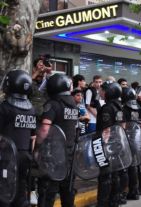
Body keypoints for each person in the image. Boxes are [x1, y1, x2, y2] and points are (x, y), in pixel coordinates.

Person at [37, 73, 79, 207]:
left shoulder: (53, 104)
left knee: (48, 190)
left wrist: (37, 145)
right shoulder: (73, 104)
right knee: (67, 189)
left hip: (53, 154)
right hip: (70, 153)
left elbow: (45, 128)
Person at [0, 70, 36, 207]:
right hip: (25, 156)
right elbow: (33, 136)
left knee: (4, 192)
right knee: (20, 190)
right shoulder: (31, 109)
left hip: (6, 157)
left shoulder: (5, 108)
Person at [95, 81, 126, 207]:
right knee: (115, 174)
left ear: (108, 92)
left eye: (102, 90)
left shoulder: (107, 108)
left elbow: (106, 130)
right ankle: (115, 200)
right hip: (117, 144)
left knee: (105, 176)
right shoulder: (120, 106)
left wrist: (102, 147)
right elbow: (123, 126)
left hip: (107, 146)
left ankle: (103, 203)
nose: (100, 92)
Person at [121, 87, 141, 201]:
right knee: (133, 166)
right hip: (134, 139)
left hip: (125, 140)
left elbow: (121, 125)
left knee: (124, 168)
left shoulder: (122, 109)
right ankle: (135, 191)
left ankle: (123, 194)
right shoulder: (135, 108)